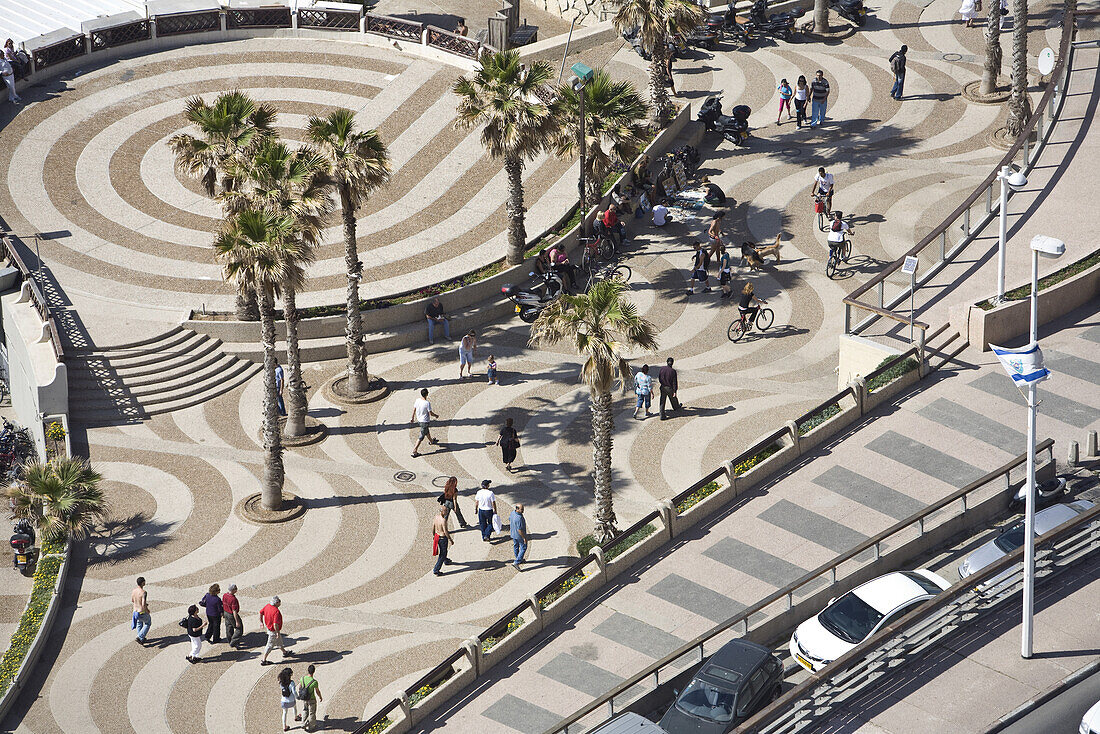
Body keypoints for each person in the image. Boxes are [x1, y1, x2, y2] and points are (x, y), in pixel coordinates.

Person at [260, 596, 291, 665]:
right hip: (273, 631)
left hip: (269, 628)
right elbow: (275, 624)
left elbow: (261, 612)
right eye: (279, 601)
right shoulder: (276, 611)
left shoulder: (267, 606)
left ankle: (285, 652)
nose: (280, 602)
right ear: (276, 603)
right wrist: (277, 632)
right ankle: (264, 660)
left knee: (279, 641)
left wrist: (261, 622)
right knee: (269, 645)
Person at [410, 387, 439, 458]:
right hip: (424, 422)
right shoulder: (427, 403)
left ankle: (431, 441)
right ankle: (415, 450)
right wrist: (436, 415)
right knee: (421, 436)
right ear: (426, 394)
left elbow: (414, 409)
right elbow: (430, 413)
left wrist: (412, 418)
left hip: (419, 420)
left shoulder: (417, 400)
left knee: (426, 431)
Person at [299, 664, 323, 731]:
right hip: (311, 699)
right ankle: (311, 727)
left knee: (305, 710)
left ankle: (303, 723)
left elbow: (300, 687)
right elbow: (317, 691)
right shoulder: (314, 682)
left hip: (304, 698)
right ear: (314, 672)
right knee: (312, 713)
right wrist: (320, 697)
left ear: (308, 671)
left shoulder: (302, 678)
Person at [432, 505, 454, 576]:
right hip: (442, 538)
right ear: (442, 511)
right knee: (443, 553)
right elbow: (445, 531)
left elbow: (433, 527)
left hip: (437, 536)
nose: (447, 512)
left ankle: (446, 560)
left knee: (443, 550)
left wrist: (433, 535)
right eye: (446, 511)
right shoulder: (443, 520)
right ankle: (436, 569)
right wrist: (450, 539)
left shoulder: (436, 517)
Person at [278, 667, 301, 731]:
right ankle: (296, 717)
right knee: (294, 707)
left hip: (284, 701)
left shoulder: (281, 683)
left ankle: (284, 726)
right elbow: (294, 692)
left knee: (284, 713)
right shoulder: (292, 683)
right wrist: (298, 697)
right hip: (291, 700)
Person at [222, 583, 243, 647]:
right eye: (236, 589)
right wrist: (237, 621)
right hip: (231, 614)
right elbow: (234, 611)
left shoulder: (224, 595)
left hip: (225, 612)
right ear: (233, 590)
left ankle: (229, 640)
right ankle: (233, 642)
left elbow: (223, 604)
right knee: (239, 629)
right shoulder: (233, 599)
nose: (237, 590)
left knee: (228, 627)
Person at [131, 577, 151, 644]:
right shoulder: (144, 592)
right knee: (148, 623)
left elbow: (133, 600)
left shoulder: (134, 591)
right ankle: (140, 637)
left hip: (135, 611)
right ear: (143, 583)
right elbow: (143, 604)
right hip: (141, 611)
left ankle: (141, 638)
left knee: (139, 624)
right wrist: (147, 610)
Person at [509, 504, 528, 569]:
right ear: (517, 509)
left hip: (513, 534)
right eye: (521, 509)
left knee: (516, 546)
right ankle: (517, 562)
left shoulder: (512, 513)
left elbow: (509, 519)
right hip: (519, 535)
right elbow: (519, 530)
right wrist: (524, 538)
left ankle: (518, 558)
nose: (523, 510)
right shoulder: (519, 518)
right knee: (523, 547)